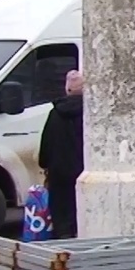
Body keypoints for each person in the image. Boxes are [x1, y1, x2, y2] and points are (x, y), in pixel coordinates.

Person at [38, 70, 86, 240]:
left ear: (67, 89)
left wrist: (44, 164)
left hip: (59, 170)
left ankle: (64, 239)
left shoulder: (55, 114)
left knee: (61, 210)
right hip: (83, 169)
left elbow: (47, 142)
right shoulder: (90, 113)